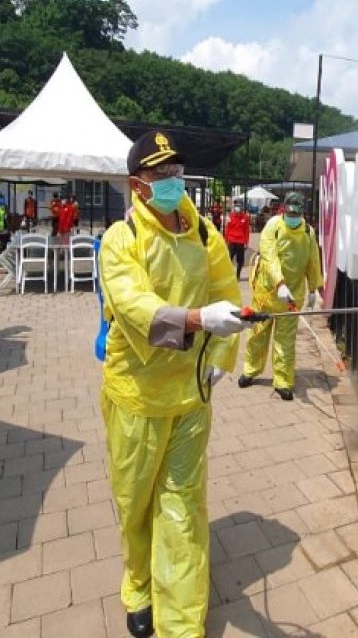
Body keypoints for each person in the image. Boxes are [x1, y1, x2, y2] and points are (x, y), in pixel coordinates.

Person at [99, 130, 246, 637]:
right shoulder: (123, 240)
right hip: (137, 396)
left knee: (182, 507)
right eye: (160, 174)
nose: (171, 181)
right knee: (136, 502)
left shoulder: (203, 233)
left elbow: (228, 290)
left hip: (191, 396)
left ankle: (181, 626)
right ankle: (138, 584)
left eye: (175, 172)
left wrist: (224, 348)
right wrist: (200, 319)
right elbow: (134, 306)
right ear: (136, 185)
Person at [239, 192, 324, 401]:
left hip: (292, 297)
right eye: (290, 212)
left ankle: (283, 381)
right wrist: (279, 283)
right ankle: (251, 369)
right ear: (283, 210)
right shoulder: (273, 226)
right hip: (266, 293)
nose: (293, 216)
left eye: (297, 213)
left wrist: (313, 288)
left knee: (285, 340)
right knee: (258, 334)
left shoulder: (307, 231)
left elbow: (313, 260)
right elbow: (269, 256)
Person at [223, 200, 251, 280]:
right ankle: (227, 275)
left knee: (240, 261)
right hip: (231, 241)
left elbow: (246, 230)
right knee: (228, 259)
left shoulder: (245, 217)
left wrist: (246, 242)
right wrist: (226, 240)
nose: (238, 207)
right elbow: (227, 228)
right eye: (236, 206)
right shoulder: (230, 216)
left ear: (242, 207)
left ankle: (237, 275)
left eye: (239, 206)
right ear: (234, 207)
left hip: (241, 242)